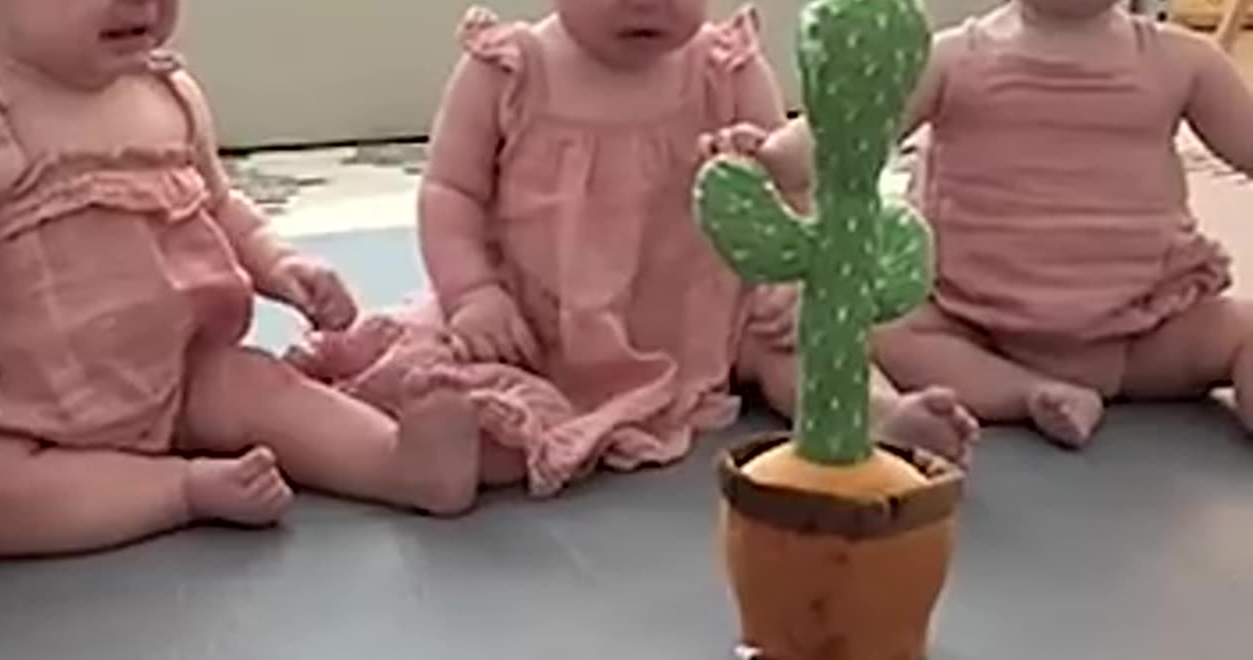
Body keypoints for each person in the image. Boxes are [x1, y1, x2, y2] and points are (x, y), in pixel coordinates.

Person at [288, 0, 979, 506]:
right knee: (492, 389)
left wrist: (779, 278)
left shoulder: (724, 68)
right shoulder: (510, 69)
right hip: (545, 323)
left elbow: (785, 187)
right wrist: (473, 294)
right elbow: (451, 192)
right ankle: (443, 456)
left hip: (705, 314)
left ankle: (880, 415)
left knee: (804, 343)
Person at [0, 0, 480, 558]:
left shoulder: (164, 95)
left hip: (181, 375)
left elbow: (219, 204)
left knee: (263, 388)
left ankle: (397, 464)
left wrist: (278, 262)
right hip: (25, 413)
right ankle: (178, 491)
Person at [712, 0, 1253, 448]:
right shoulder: (953, 58)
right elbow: (852, 127)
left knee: (1243, 332)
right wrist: (775, 156)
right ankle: (1029, 392)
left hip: (1145, 328)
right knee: (871, 323)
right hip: (977, 327)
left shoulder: (1186, 62)